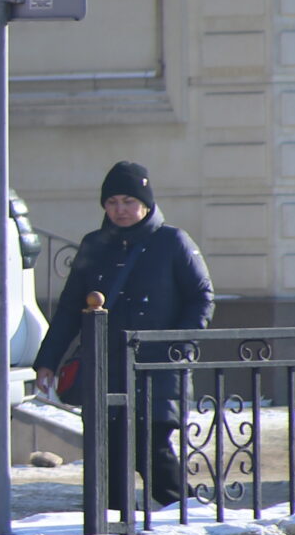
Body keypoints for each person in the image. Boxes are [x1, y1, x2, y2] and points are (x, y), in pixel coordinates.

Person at [34, 161, 213, 510]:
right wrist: (48, 361)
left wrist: (177, 346)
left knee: (151, 452)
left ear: (146, 204)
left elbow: (201, 297)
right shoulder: (94, 245)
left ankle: (188, 517)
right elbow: (70, 310)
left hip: (156, 371)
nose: (120, 210)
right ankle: (114, 532)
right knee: (109, 460)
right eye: (112, 201)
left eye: (129, 201)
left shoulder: (172, 241)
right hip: (106, 371)